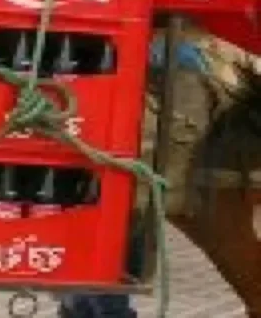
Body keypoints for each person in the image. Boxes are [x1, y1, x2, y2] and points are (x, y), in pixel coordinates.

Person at [58, 35, 208, 318]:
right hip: (120, 180)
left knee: (97, 262)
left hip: (110, 178)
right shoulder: (177, 55)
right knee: (106, 264)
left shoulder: (171, 54)